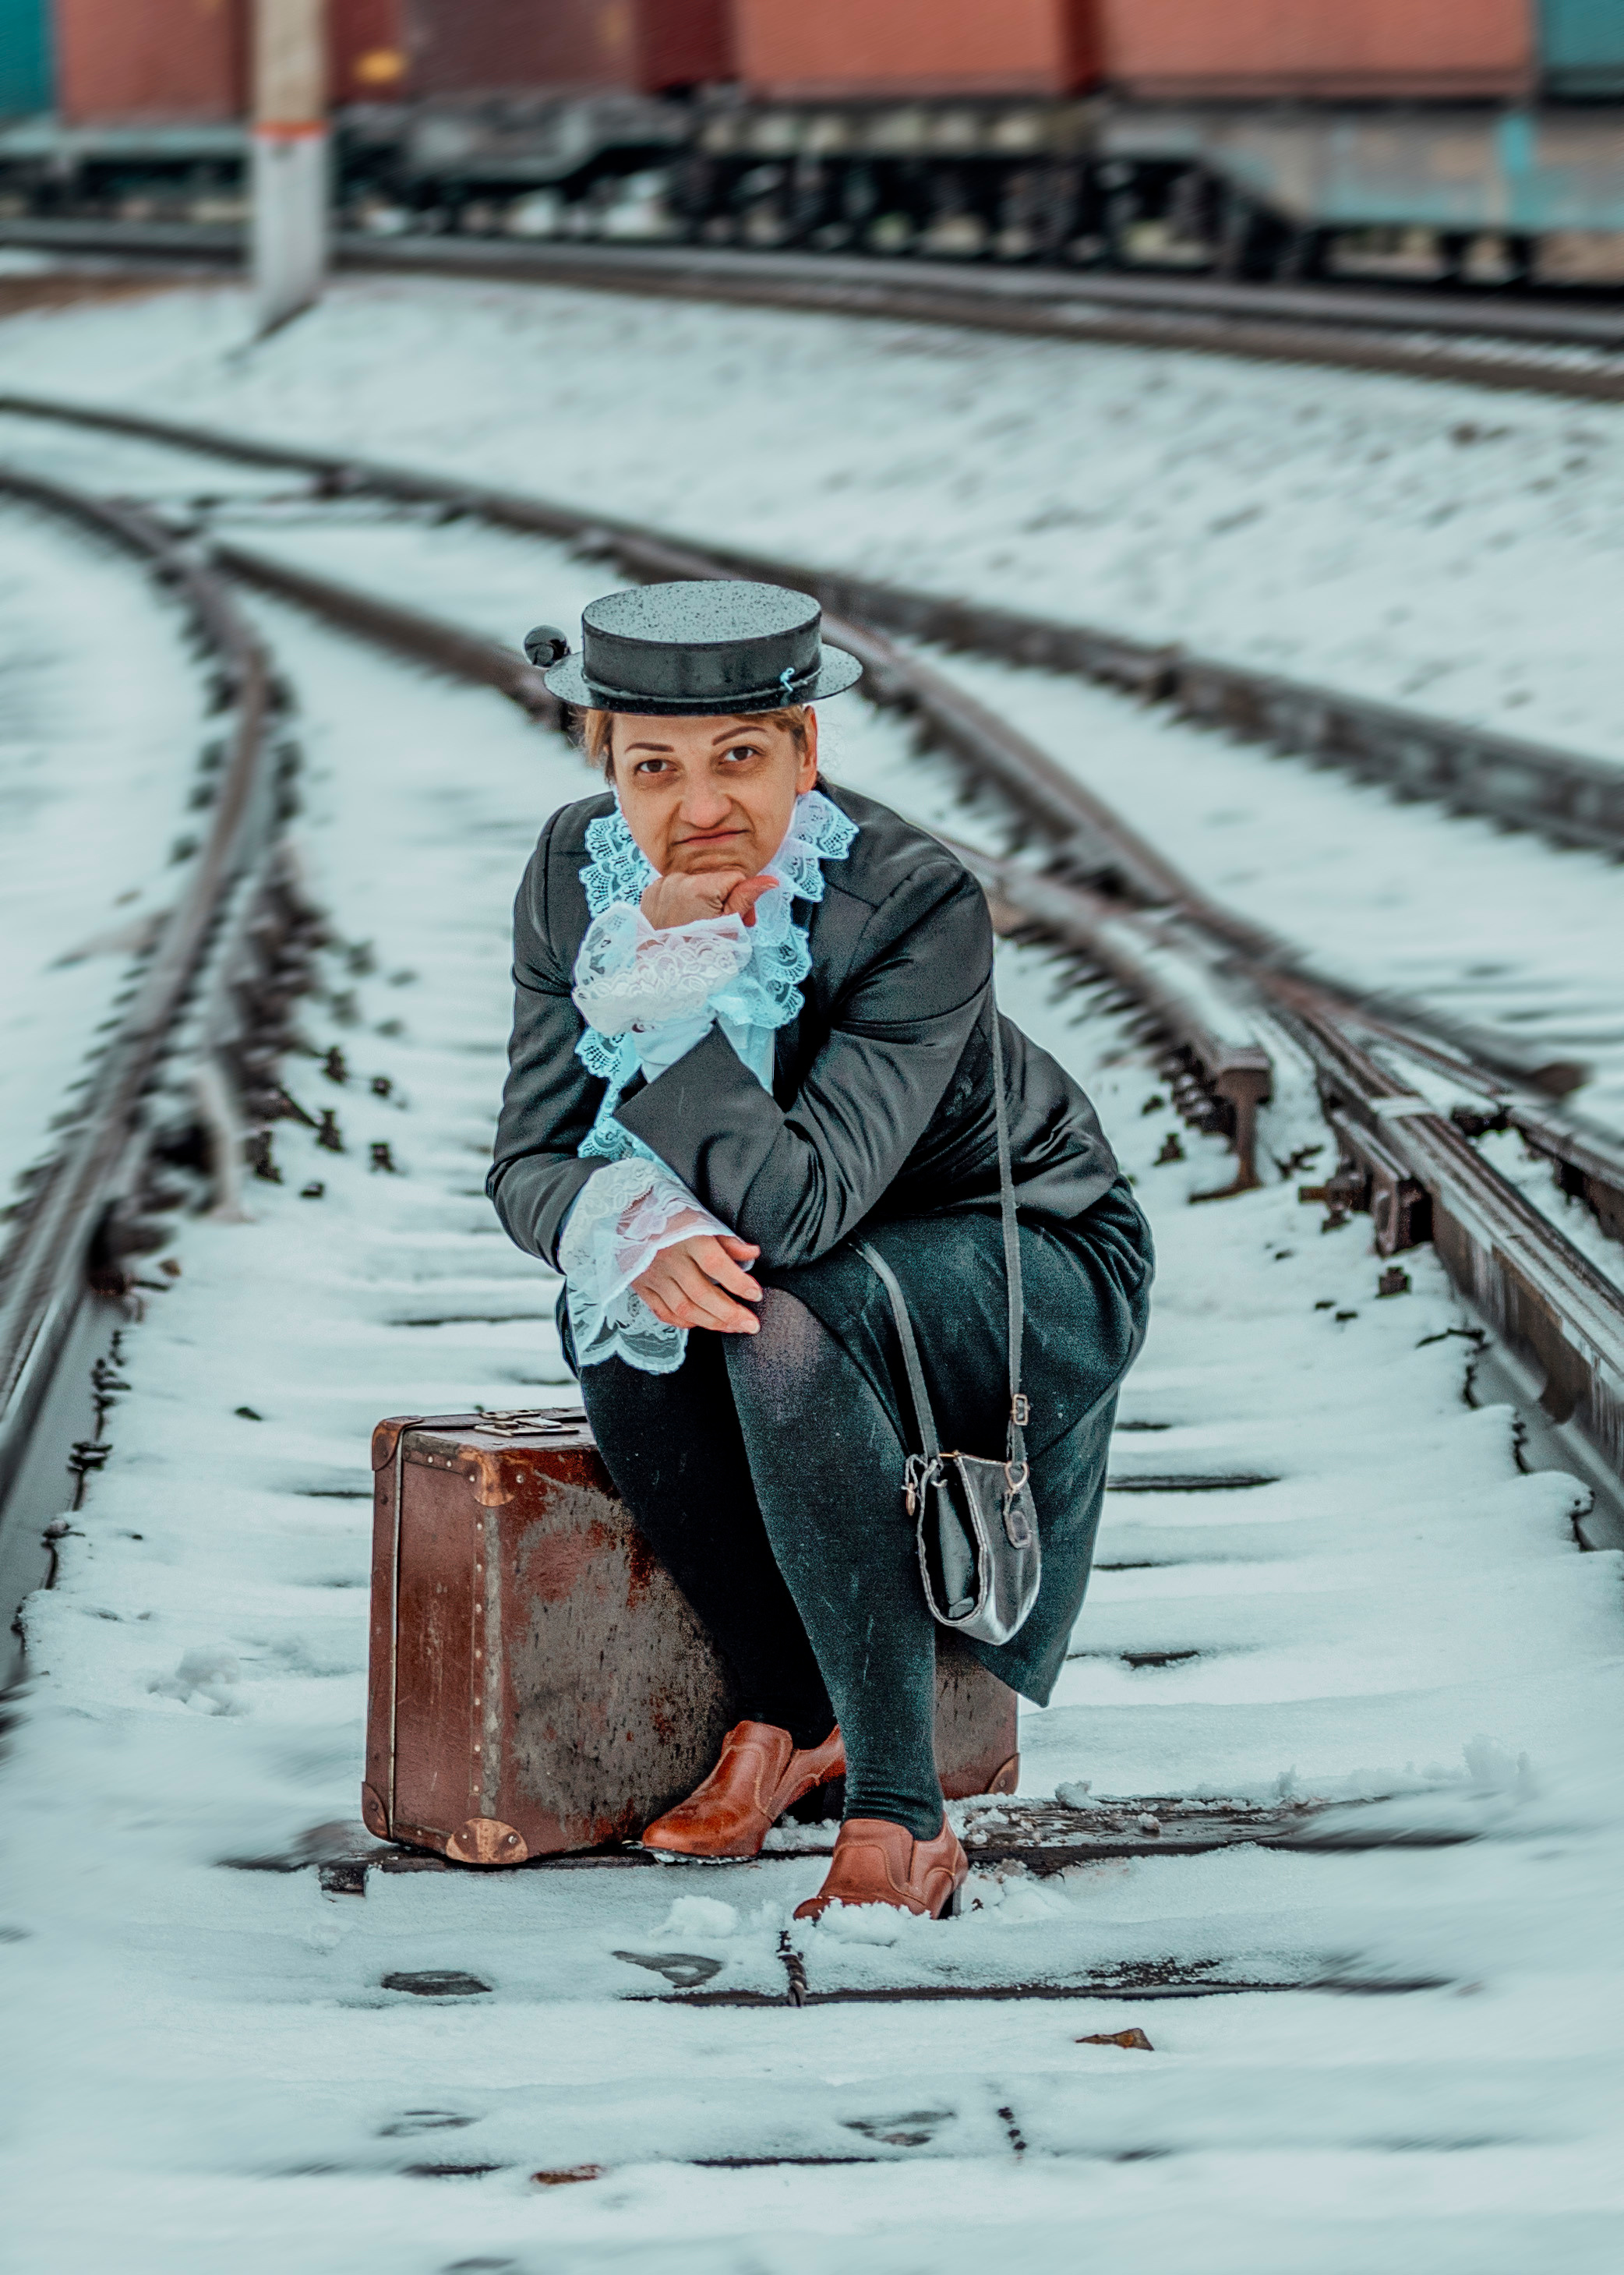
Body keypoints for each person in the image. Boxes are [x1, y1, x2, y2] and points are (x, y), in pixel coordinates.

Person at [489, 580, 1153, 1920]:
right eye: (653, 767)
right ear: (604, 762)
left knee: (779, 1300)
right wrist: (626, 1227)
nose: (701, 806)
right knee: (633, 1291)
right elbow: (528, 1162)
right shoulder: (576, 879)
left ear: (807, 749)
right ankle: (788, 1719)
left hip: (1023, 1252)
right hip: (813, 1245)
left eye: (742, 756)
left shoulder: (910, 903)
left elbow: (801, 1209)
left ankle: (901, 1814)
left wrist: (673, 998)